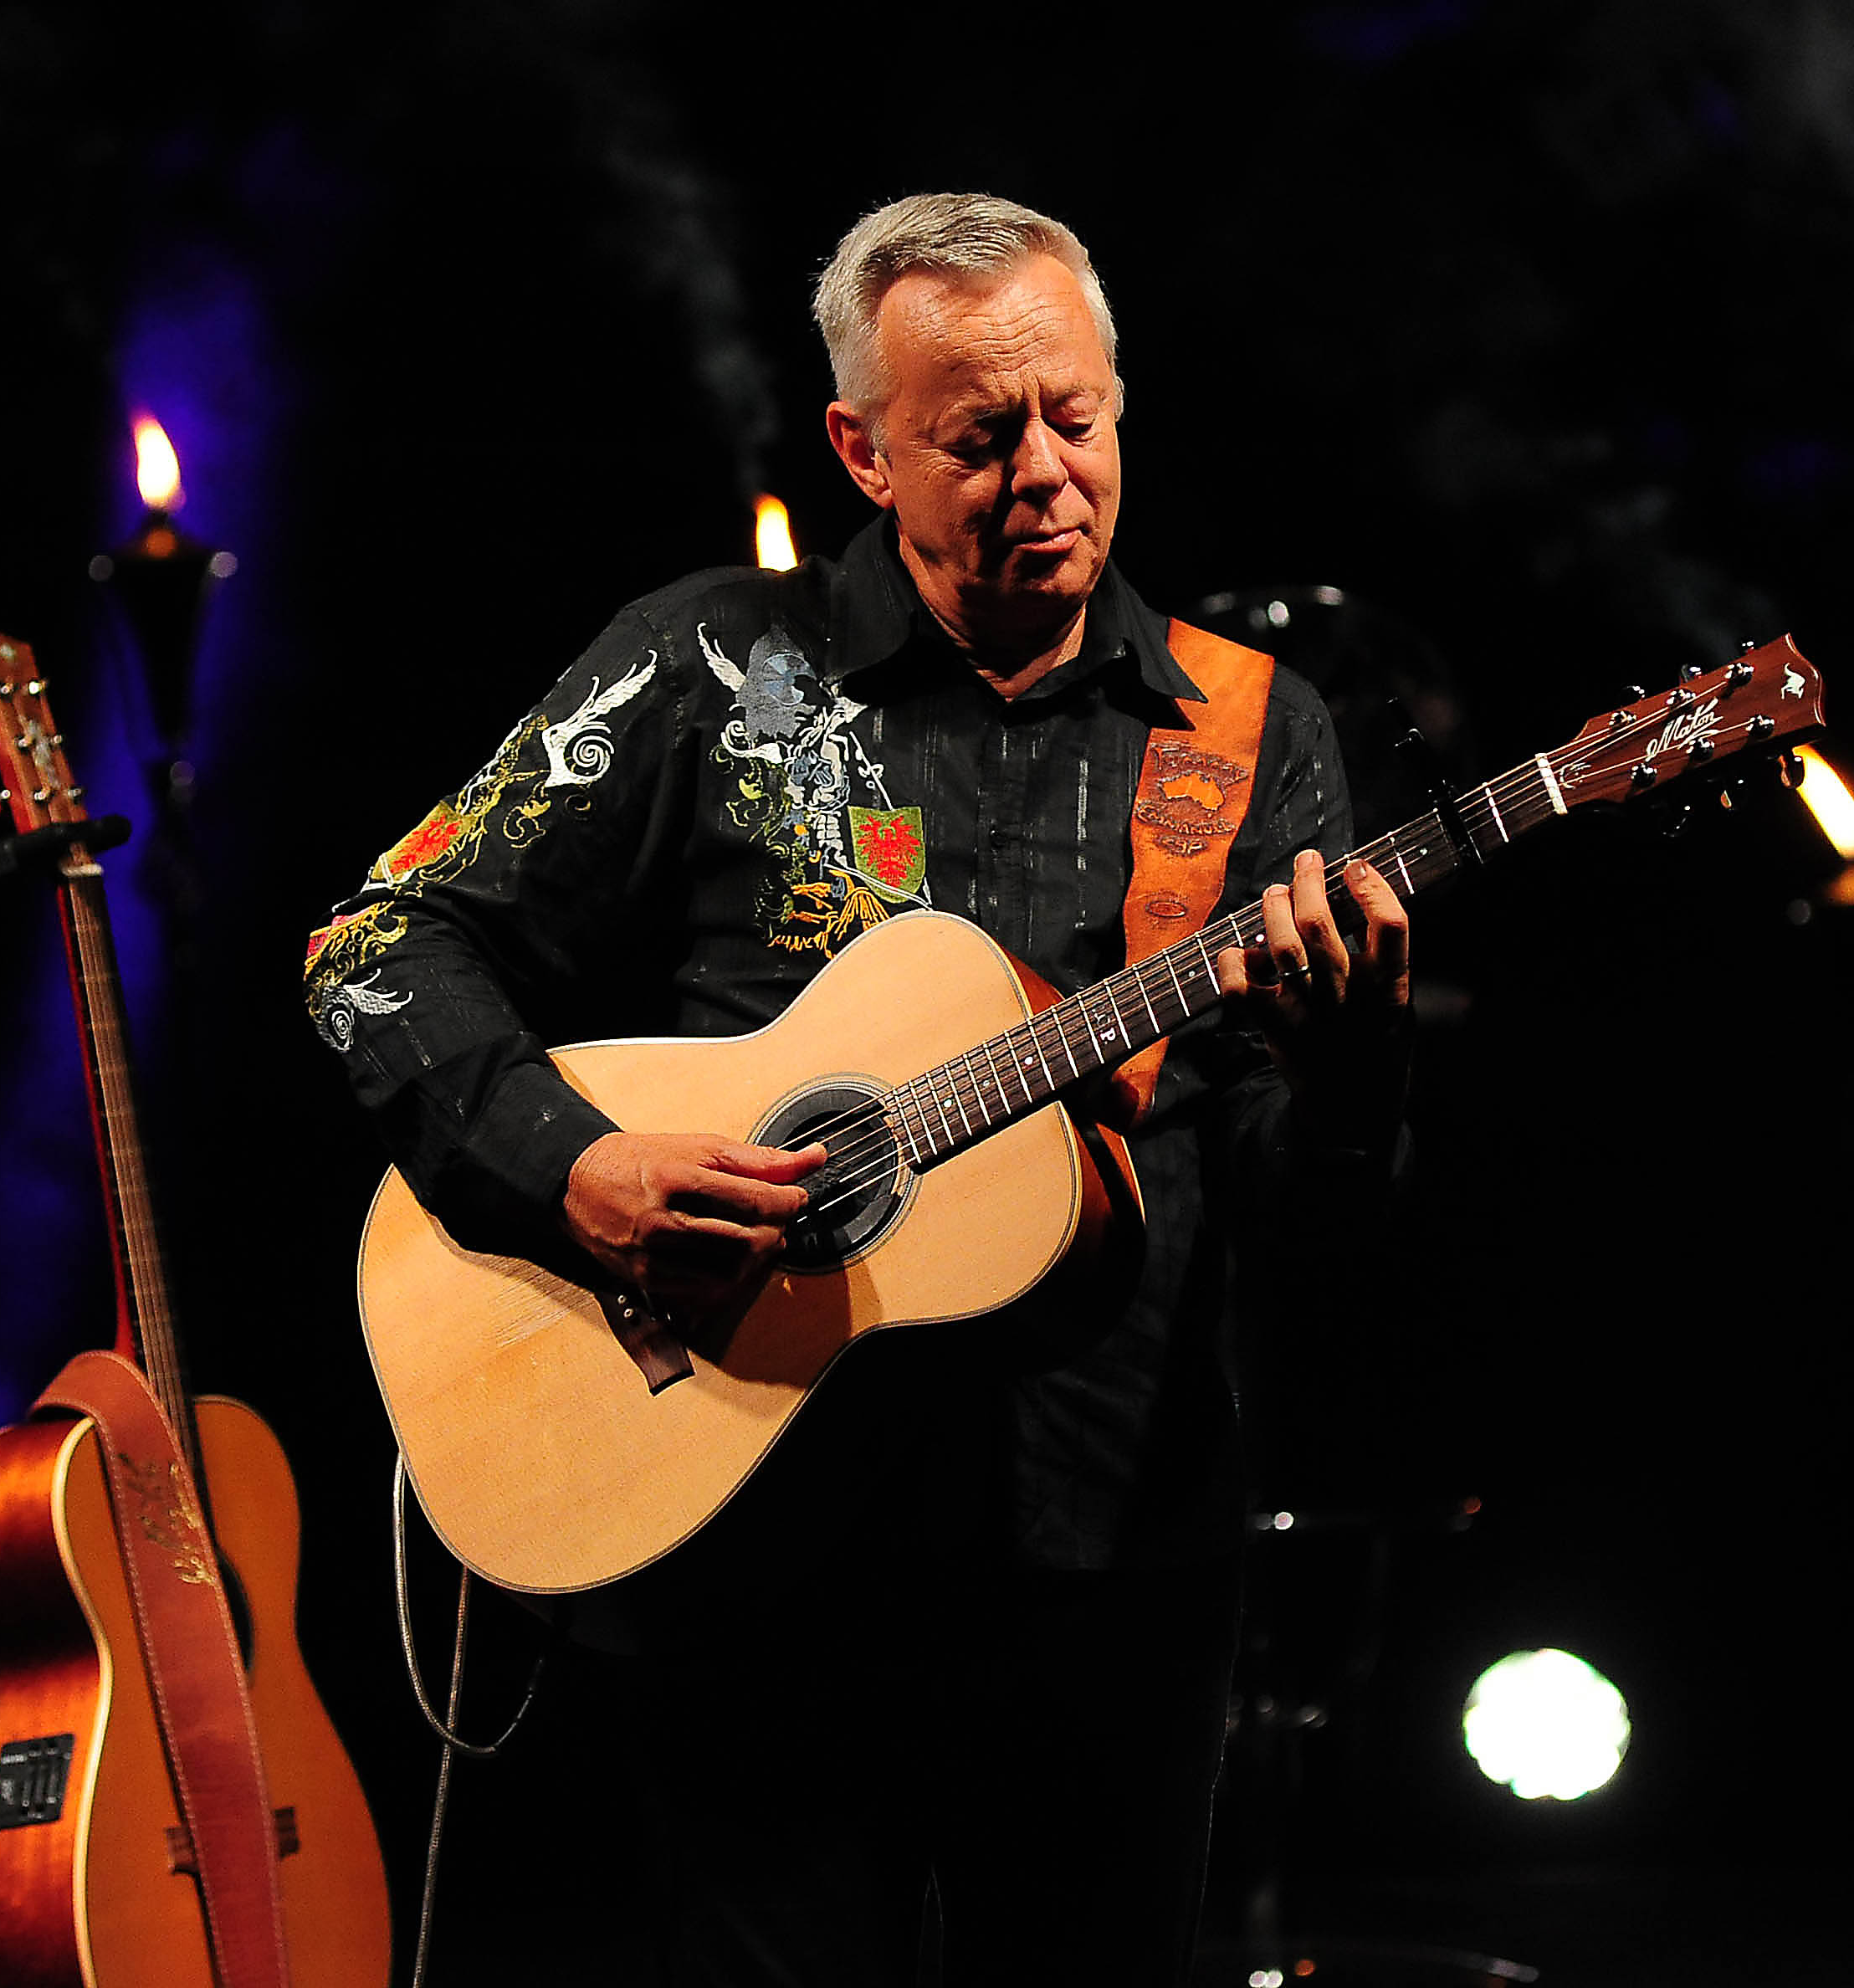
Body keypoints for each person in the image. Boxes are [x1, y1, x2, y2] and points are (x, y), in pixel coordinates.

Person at [305, 192, 1412, 1985]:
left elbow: (1314, 1211)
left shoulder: (1248, 731)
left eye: (1078, 417)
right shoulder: (707, 664)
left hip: (1109, 1565)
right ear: (863, 449)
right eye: (981, 435)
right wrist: (570, 1168)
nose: (1045, 471)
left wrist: (1353, 1065)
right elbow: (372, 944)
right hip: (753, 1556)